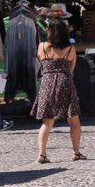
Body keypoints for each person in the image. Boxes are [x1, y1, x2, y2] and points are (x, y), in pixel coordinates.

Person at [30, 17, 85, 163]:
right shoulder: (70, 49)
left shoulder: (41, 47)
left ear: (49, 31)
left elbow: (41, 63)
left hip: (47, 83)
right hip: (65, 82)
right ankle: (76, 152)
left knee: (47, 122)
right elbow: (71, 69)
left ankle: (42, 155)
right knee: (74, 120)